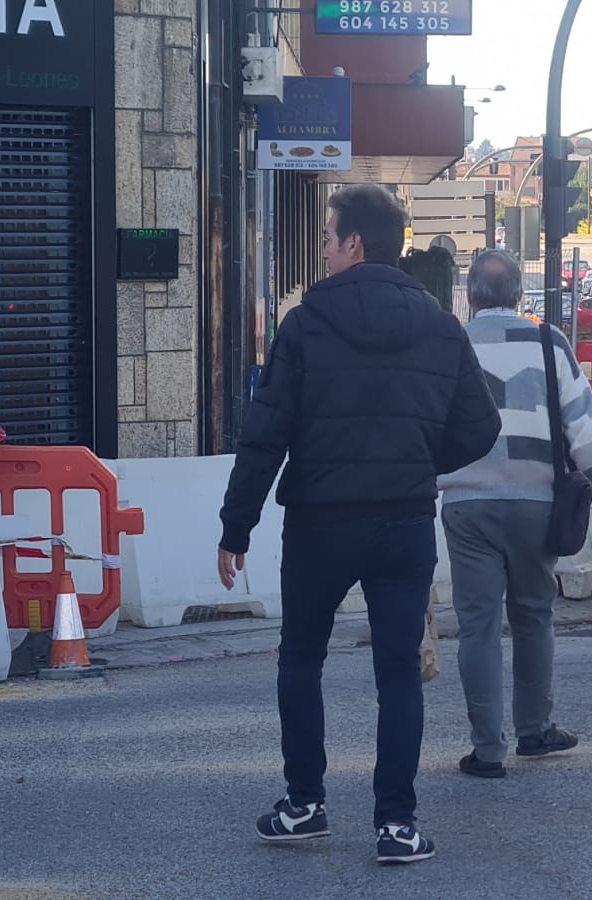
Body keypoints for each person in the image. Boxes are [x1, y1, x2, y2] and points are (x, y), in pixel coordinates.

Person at [217, 183, 501, 866]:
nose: (320, 249)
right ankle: (397, 825)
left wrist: (237, 526)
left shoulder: (306, 324)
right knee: (398, 672)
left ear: (353, 244)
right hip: (402, 521)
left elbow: (266, 435)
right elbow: (480, 426)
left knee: (301, 658)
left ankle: (304, 804)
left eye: (325, 237)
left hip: (319, 521)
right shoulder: (439, 324)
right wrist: (418, 462)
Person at [438, 248, 592, 781]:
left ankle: (487, 751)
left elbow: (424, 424)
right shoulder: (551, 343)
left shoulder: (447, 343)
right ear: (520, 294)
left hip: (466, 504)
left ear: (470, 295)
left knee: (477, 626)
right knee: (533, 616)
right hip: (535, 503)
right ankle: (535, 730)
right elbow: (585, 426)